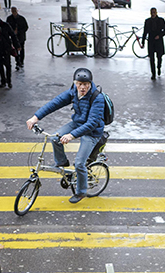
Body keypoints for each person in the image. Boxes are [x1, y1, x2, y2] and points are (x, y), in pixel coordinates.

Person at [24, 68, 106, 204]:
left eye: (86, 84)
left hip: (92, 131)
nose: (82, 87)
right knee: (55, 138)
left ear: (90, 83)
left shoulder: (97, 98)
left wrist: (71, 135)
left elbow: (92, 123)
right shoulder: (73, 92)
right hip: (77, 123)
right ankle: (62, 162)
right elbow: (54, 103)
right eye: (79, 84)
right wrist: (35, 118)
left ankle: (81, 192)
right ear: (74, 83)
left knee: (79, 163)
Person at [141, 7, 165, 80]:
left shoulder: (161, 20)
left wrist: (159, 35)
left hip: (158, 41)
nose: (153, 14)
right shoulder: (147, 21)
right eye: (151, 12)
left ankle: (159, 67)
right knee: (151, 58)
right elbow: (145, 32)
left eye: (154, 12)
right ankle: (153, 73)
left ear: (156, 13)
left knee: (159, 57)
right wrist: (143, 42)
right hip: (151, 41)